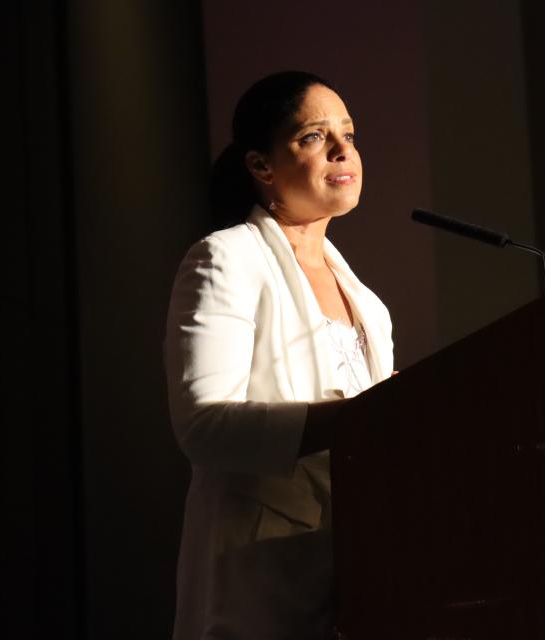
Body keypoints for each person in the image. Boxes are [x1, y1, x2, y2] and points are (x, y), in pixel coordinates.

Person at [164, 71, 394, 640]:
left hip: (356, 574)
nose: (344, 149)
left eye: (349, 132)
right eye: (314, 136)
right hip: (257, 578)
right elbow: (203, 425)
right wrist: (350, 421)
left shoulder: (369, 302)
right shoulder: (224, 259)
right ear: (261, 166)